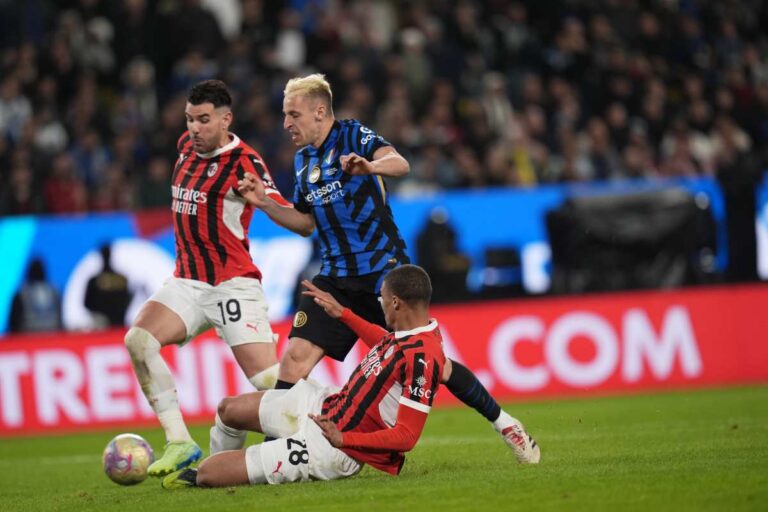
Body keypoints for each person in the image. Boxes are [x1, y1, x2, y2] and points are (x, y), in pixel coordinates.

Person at [237, 73, 540, 461]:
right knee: (294, 359)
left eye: (293, 114)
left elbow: (400, 164)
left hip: (384, 274)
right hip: (335, 277)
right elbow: (306, 223)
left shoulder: (352, 135)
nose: (286, 124)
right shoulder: (303, 161)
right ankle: (273, 453)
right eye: (284, 115)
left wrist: (370, 167)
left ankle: (505, 423)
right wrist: (264, 202)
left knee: (437, 365)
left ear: (319, 111)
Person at [162, 265, 461, 488]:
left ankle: (213, 476)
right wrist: (343, 313)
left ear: (396, 302)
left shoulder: (423, 358)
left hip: (332, 449)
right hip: (324, 406)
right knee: (228, 409)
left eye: (382, 298)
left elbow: (406, 436)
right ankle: (223, 476)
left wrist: (343, 438)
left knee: (207, 473)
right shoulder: (411, 335)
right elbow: (384, 343)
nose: (379, 303)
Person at [124, 79, 288, 477]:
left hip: (232, 283)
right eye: (189, 119)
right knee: (139, 340)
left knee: (269, 381)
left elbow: (287, 211)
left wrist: (265, 202)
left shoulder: (245, 163)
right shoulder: (185, 146)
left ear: (225, 119)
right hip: (187, 281)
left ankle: (323, 427)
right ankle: (180, 442)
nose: (194, 128)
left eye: (203, 120)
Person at [84, 244, 131, 328]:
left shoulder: (94, 280)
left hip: (111, 325)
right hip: (112, 325)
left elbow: (87, 303)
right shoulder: (122, 279)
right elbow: (127, 300)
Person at [9, 258, 62, 333]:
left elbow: (13, 322)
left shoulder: (20, 294)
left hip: (27, 337)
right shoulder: (55, 292)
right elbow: (61, 319)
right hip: (52, 336)